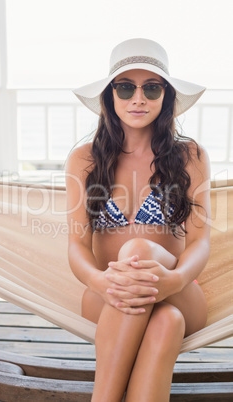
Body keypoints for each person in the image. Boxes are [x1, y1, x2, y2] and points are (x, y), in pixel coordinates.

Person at [66, 38, 211, 402]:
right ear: (110, 95)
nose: (138, 98)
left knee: (139, 250)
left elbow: (199, 242)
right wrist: (100, 282)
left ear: (166, 96)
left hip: (179, 290)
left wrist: (175, 280)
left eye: (151, 88)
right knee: (165, 323)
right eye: (126, 87)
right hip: (107, 293)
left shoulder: (188, 156)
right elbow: (77, 246)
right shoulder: (84, 160)